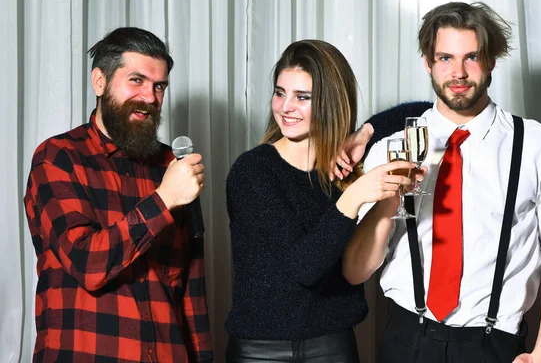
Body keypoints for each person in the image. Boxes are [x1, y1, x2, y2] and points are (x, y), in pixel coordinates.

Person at [338, 2, 541, 363]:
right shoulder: (390, 149)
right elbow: (355, 271)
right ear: (427, 61)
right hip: (406, 341)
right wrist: (388, 202)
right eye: (444, 58)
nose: (458, 72)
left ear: (491, 61)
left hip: (495, 347)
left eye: (471, 57)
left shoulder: (538, 146)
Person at [24, 27, 213, 362]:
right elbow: (87, 265)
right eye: (136, 80)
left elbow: (190, 288)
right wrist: (164, 199)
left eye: (159, 86)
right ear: (100, 82)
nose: (151, 97)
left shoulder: (173, 164)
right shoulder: (58, 157)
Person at [224, 39, 415, 362]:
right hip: (260, 352)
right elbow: (304, 267)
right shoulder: (253, 171)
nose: (286, 107)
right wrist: (351, 198)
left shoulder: (343, 166)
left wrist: (365, 133)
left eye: (302, 97)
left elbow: (423, 111)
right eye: (280, 93)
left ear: (329, 102)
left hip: (333, 346)